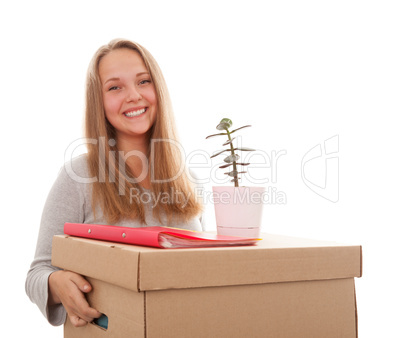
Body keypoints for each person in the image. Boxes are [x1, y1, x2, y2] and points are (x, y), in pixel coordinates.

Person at [25, 39, 204, 327]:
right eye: (115, 87)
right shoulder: (78, 176)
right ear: (99, 102)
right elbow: (38, 274)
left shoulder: (189, 180)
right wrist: (56, 282)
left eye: (143, 81)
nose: (133, 95)